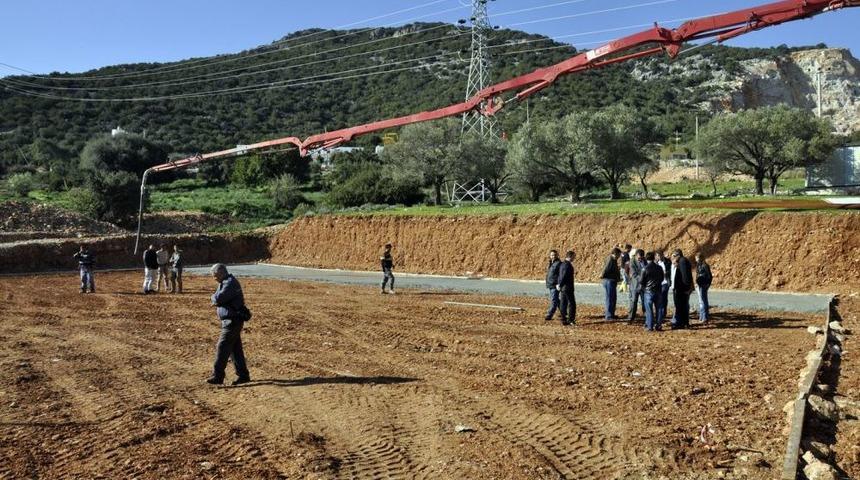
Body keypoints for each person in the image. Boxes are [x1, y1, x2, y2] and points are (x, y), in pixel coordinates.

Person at [207, 263, 251, 386]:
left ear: (221, 273)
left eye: (214, 276)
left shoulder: (230, 283)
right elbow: (216, 298)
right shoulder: (224, 282)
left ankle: (218, 376)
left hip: (232, 322)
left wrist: (214, 298)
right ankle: (243, 375)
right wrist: (215, 298)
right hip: (230, 321)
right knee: (235, 350)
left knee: (222, 347)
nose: (214, 278)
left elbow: (218, 298)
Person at [639, 251, 664, 331]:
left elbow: (641, 281)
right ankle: (659, 325)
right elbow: (662, 278)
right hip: (658, 290)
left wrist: (645, 286)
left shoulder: (644, 269)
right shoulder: (659, 267)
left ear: (646, 258)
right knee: (659, 308)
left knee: (649, 309)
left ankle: (650, 326)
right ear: (654, 258)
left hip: (648, 291)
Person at [671, 249, 694, 329]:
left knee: (680, 306)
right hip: (682, 288)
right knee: (683, 306)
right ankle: (684, 322)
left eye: (674, 256)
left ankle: (680, 323)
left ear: (678, 255)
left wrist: (686, 287)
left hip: (682, 288)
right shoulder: (682, 261)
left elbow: (685, 276)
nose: (673, 258)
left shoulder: (682, 261)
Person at [601, 247, 622, 320]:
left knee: (612, 298)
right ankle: (609, 315)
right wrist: (602, 275)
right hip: (609, 280)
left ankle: (611, 314)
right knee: (610, 298)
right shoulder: (610, 259)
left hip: (611, 280)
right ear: (615, 253)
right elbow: (606, 269)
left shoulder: (613, 259)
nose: (619, 256)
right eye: (619, 255)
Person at [557, 250, 577, 326]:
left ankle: (564, 319)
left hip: (563, 288)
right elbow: (563, 276)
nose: (574, 258)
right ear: (570, 256)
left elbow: (560, 275)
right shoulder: (567, 265)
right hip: (567, 287)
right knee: (572, 304)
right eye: (574, 257)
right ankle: (571, 320)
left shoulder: (562, 264)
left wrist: (559, 284)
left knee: (563, 303)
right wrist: (560, 284)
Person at [627, 249, 646, 322]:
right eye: (639, 258)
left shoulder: (644, 261)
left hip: (643, 286)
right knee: (634, 301)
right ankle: (631, 318)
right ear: (636, 256)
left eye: (641, 258)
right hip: (635, 286)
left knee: (645, 302)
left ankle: (647, 318)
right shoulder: (632, 261)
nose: (640, 259)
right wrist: (642, 279)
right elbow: (634, 274)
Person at [695, 253, 713, 323]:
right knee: (701, 301)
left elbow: (710, 276)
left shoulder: (705, 266)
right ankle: (701, 316)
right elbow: (697, 275)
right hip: (699, 285)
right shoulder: (698, 265)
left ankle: (705, 317)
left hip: (704, 285)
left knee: (704, 301)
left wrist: (708, 284)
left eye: (697, 258)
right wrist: (696, 283)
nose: (696, 260)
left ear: (701, 258)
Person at [544, 250, 562, 321]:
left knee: (554, 300)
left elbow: (560, 275)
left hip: (555, 285)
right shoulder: (550, 263)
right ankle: (564, 312)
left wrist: (559, 283)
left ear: (557, 255)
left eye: (554, 255)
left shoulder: (559, 264)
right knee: (557, 300)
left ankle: (549, 315)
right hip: (550, 284)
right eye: (551, 255)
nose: (553, 256)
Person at [655, 250, 672, 326]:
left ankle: (663, 313)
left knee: (663, 298)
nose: (658, 257)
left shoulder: (668, 261)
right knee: (660, 299)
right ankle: (661, 314)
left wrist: (666, 272)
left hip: (665, 282)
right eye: (657, 256)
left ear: (662, 255)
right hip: (658, 283)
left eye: (660, 255)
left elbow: (671, 270)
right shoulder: (656, 263)